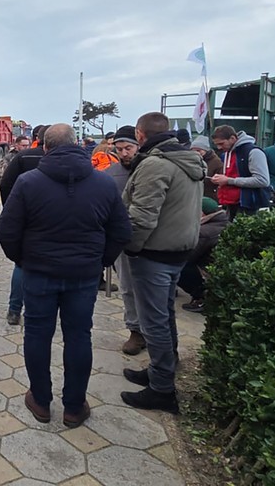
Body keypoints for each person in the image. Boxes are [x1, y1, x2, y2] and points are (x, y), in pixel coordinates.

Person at [0, 124, 131, 427]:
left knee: (37, 334)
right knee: (79, 335)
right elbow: (122, 231)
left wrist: (24, 259)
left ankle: (41, 401)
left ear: (45, 147)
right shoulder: (104, 183)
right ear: (77, 146)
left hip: (39, 272)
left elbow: (6, 230)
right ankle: (74, 406)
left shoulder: (28, 183)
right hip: (83, 275)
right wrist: (99, 261)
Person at [120, 112, 205, 413]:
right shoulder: (187, 159)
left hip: (154, 253)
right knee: (164, 314)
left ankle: (162, 390)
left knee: (153, 321)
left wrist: (130, 248)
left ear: (140, 135)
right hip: (178, 249)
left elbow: (141, 216)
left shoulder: (155, 165)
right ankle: (162, 369)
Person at [0, 124, 48, 325]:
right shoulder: (72, 161)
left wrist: (10, 212)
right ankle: (40, 310)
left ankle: (14, 310)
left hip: (26, 218)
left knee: (21, 264)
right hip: (56, 221)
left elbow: (5, 184)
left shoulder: (24, 157)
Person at [105, 125, 144, 355]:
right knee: (128, 288)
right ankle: (135, 331)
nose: (124, 153)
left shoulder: (153, 169)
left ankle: (157, 334)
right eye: (119, 149)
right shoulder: (110, 174)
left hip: (153, 241)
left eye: (128, 147)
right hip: (123, 242)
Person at [178, 198, 230, 313]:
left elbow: (188, 257)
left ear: (201, 212)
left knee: (177, 266)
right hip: (224, 270)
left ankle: (201, 297)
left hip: (210, 272)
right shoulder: (225, 222)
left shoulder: (204, 232)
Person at [210, 125, 271, 218]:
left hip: (249, 206)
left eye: (221, 144)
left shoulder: (254, 152)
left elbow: (263, 180)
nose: (219, 148)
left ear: (232, 138)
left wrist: (228, 180)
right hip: (230, 204)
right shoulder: (226, 154)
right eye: (217, 144)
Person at [191, 136, 223, 200]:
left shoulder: (216, 163)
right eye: (193, 151)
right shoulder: (191, 161)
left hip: (211, 197)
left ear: (206, 150)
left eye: (198, 150)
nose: (196, 153)